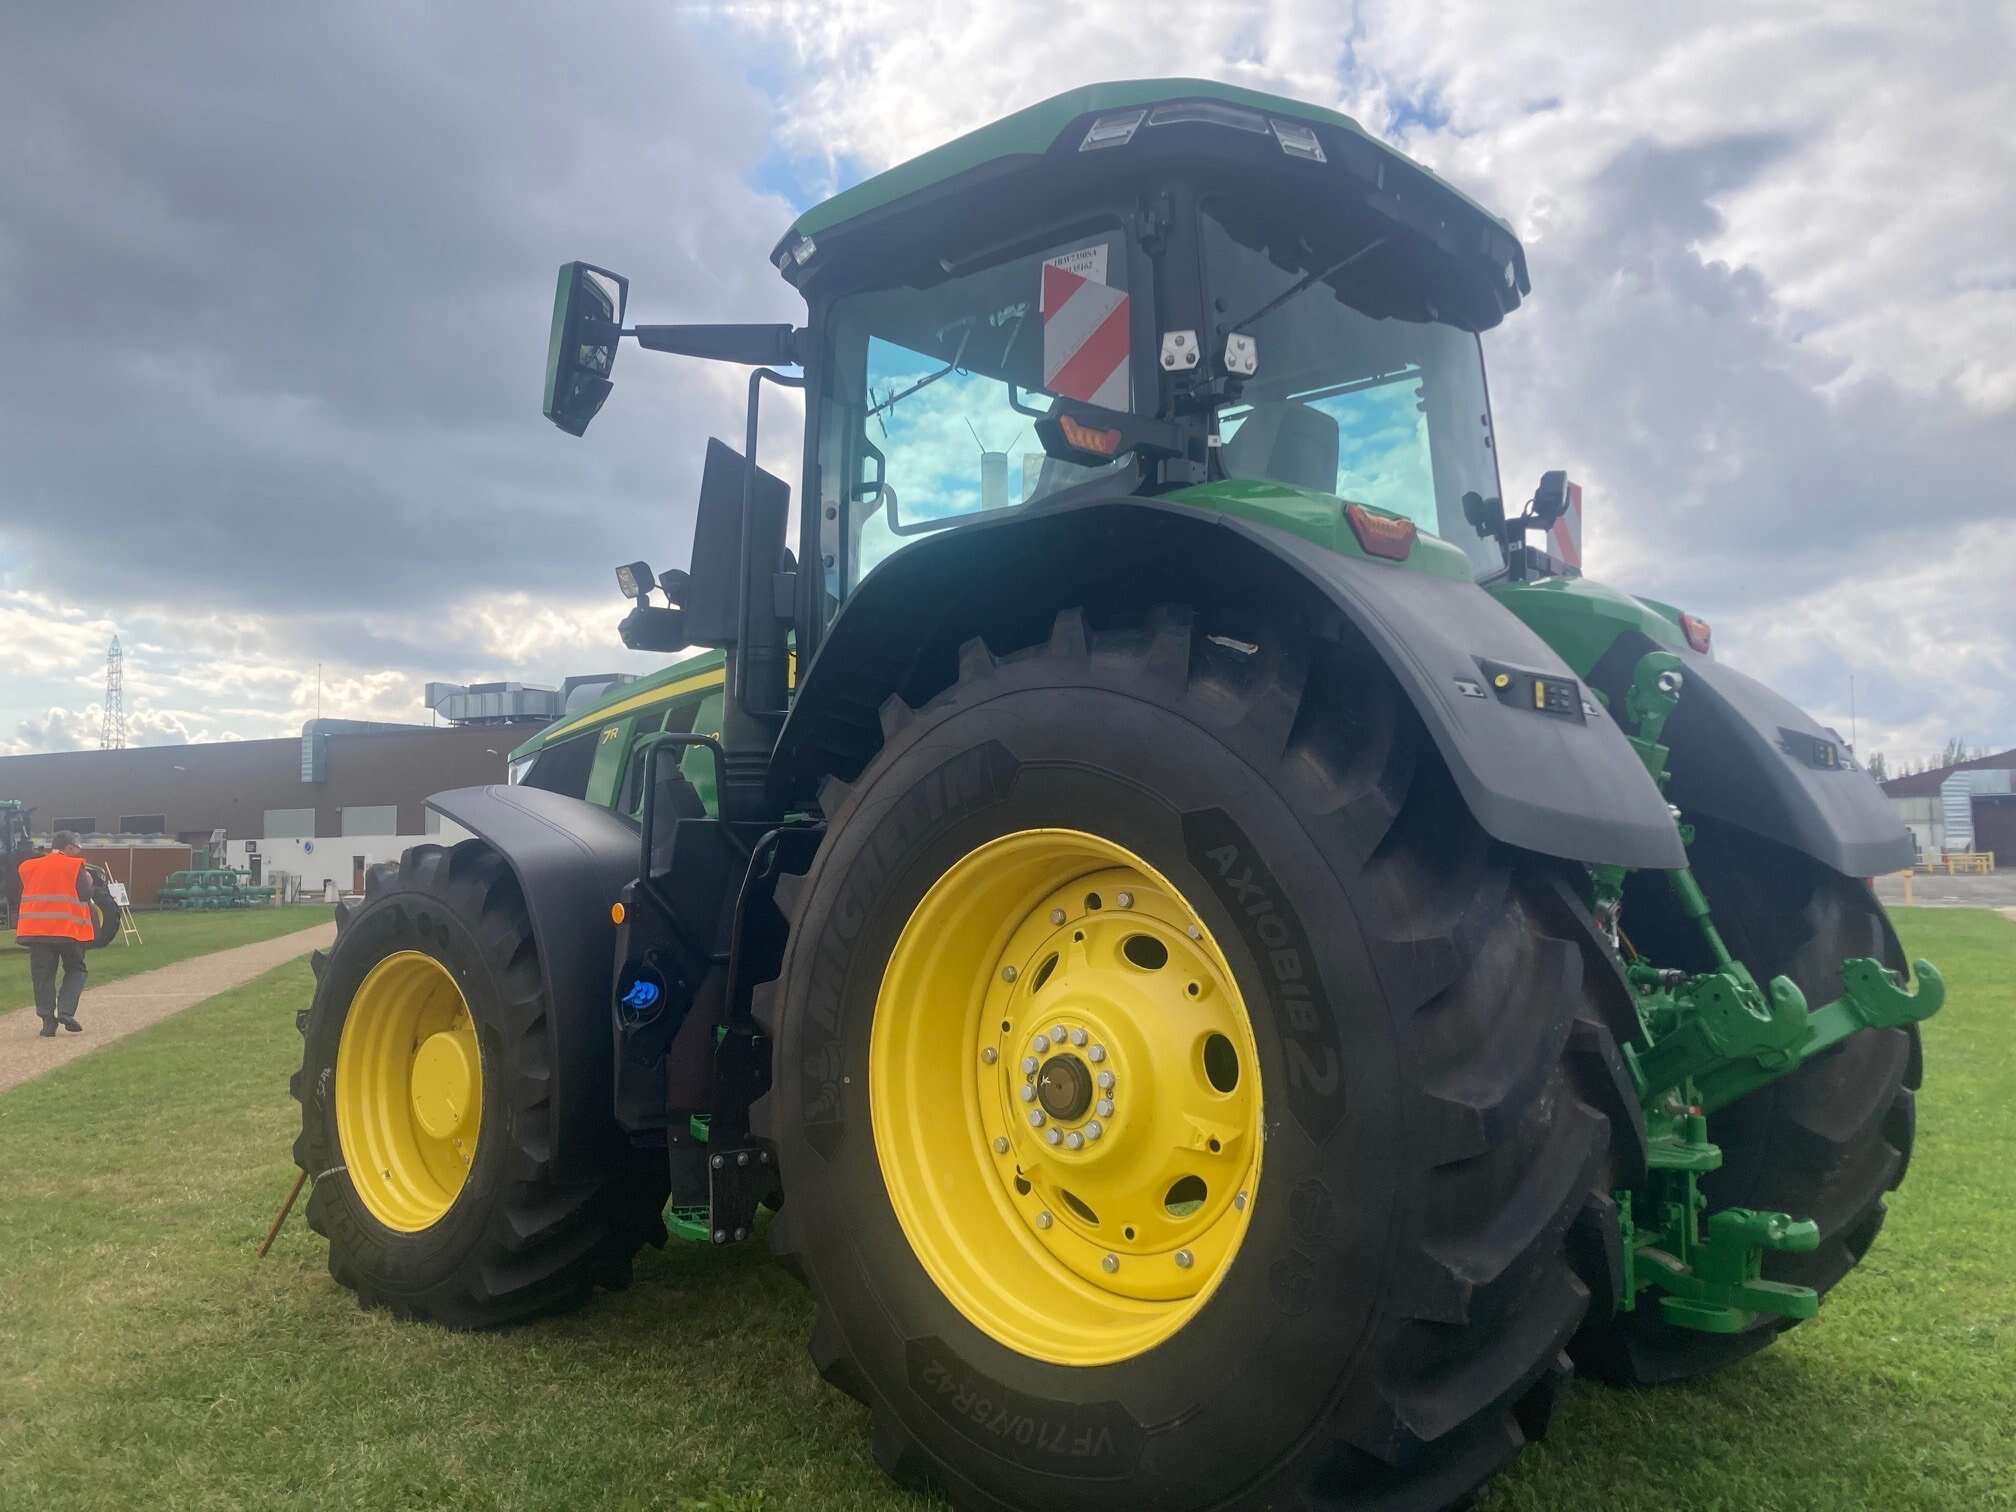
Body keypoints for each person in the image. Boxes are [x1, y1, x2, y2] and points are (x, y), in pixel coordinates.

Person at [16, 831, 106, 1037]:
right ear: (68, 847)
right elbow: (85, 894)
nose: (78, 852)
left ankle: (48, 1021)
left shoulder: (28, 867)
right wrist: (90, 881)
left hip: (36, 931)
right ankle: (66, 1011)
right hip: (68, 930)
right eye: (76, 848)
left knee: (42, 976)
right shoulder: (74, 866)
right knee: (76, 969)